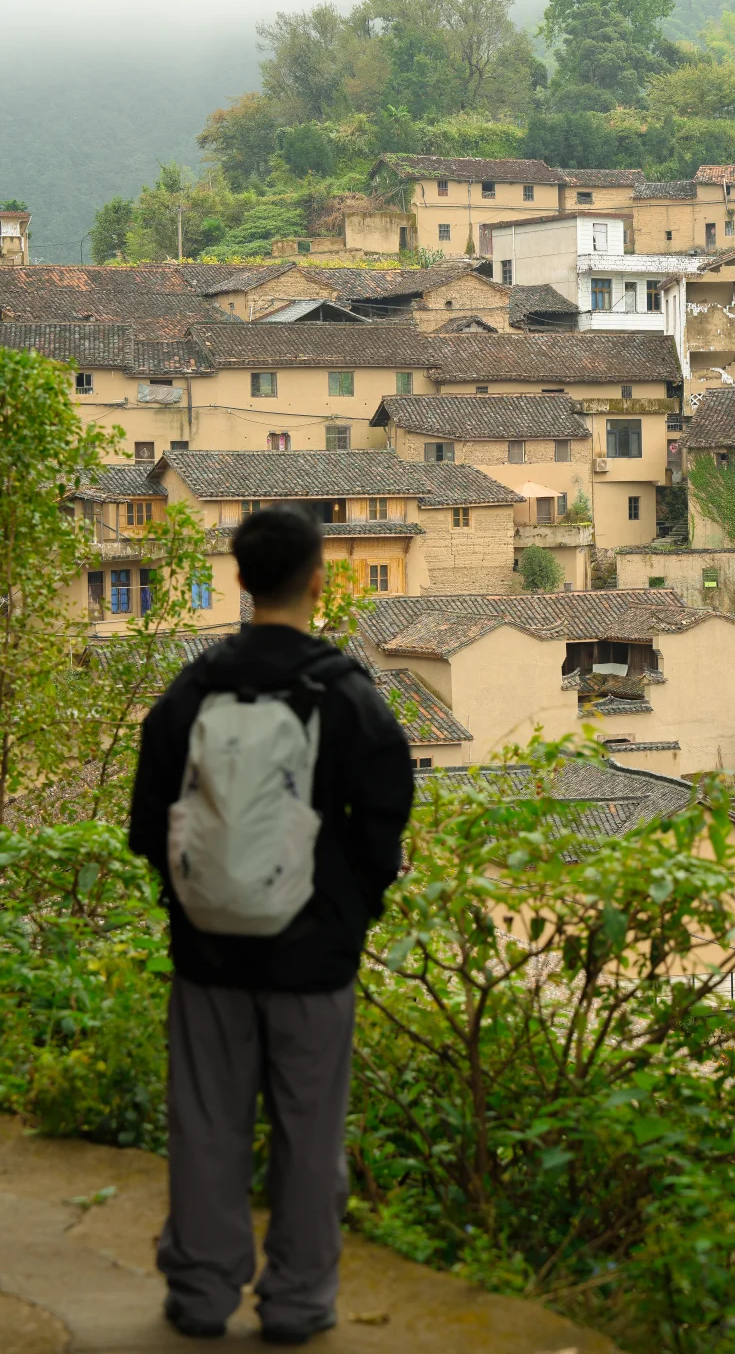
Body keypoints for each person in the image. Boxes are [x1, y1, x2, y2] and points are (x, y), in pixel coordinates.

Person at [129, 505, 414, 1345]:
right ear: (318, 580)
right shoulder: (348, 693)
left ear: (240, 578)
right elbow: (385, 815)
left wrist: (195, 902)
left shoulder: (192, 689)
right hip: (316, 959)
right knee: (308, 1132)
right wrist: (350, 909)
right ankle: (296, 1303)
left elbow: (151, 825)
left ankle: (201, 1295)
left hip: (208, 954)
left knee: (207, 1128)